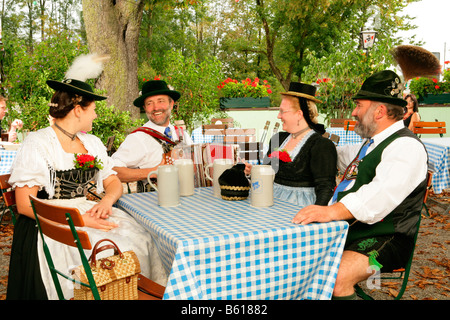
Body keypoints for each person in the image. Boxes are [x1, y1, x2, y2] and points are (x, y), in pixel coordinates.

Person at [6, 56, 166, 300]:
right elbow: (26, 205)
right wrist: (80, 221)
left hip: (90, 210)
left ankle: (136, 294)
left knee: (144, 238)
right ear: (78, 109)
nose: (95, 115)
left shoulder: (92, 142)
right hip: (53, 220)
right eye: (93, 109)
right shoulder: (38, 143)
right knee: (118, 251)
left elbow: (112, 181)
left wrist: (106, 202)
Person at [292, 70, 428, 300]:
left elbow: (378, 196)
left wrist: (331, 211)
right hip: (353, 229)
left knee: (335, 278)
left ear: (380, 111)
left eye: (358, 105)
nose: (353, 112)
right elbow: (338, 155)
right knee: (296, 259)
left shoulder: (407, 147)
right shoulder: (372, 144)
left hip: (388, 238)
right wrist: (309, 141)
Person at [244, 82, 337, 206]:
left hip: (299, 208)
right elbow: (268, 173)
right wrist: (254, 171)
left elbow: (326, 189)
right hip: (269, 200)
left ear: (299, 114)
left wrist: (316, 215)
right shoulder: (278, 138)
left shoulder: (321, 145)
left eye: (283, 111)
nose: (278, 116)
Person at [112, 80, 193, 192]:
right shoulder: (138, 138)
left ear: (171, 104)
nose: (155, 108)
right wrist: (154, 172)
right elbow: (113, 170)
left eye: (161, 101)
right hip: (153, 204)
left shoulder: (182, 135)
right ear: (145, 108)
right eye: (149, 103)